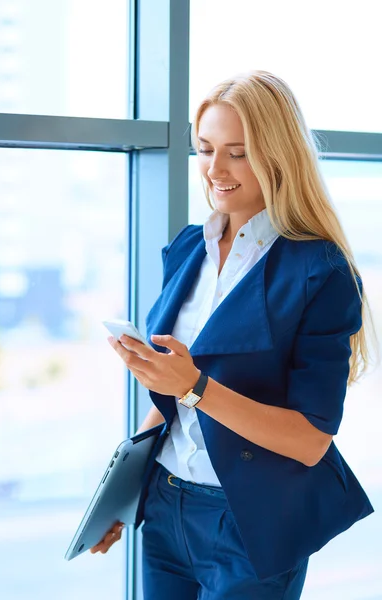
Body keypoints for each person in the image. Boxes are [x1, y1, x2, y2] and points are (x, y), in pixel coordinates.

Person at [91, 70, 375, 599]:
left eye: (237, 152)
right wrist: (121, 497)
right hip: (166, 506)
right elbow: (170, 399)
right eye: (205, 148)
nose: (215, 169)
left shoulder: (320, 271)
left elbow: (310, 440)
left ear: (277, 156)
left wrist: (193, 386)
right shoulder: (186, 249)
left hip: (250, 520)